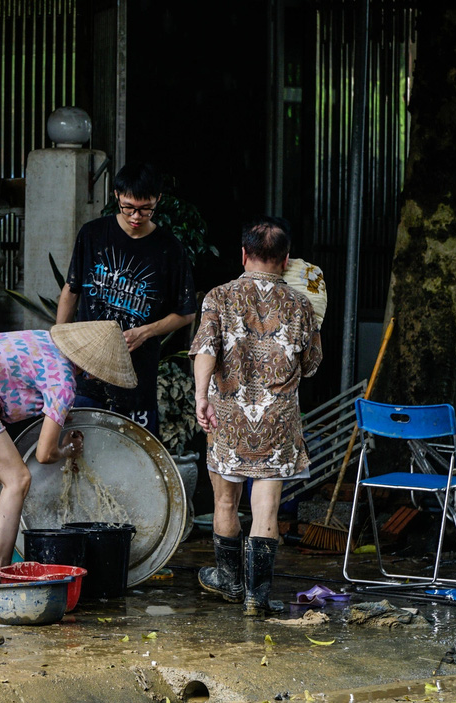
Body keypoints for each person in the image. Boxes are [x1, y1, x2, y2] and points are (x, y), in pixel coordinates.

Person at [0, 321, 136, 583]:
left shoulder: (44, 340)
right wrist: (67, 449)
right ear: (95, 371)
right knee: (17, 479)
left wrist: (59, 419)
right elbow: (45, 454)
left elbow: (21, 380)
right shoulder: (65, 383)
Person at [190, 218, 323, 616]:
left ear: (244, 255)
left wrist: (201, 396)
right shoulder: (302, 304)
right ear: (285, 261)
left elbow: (205, 348)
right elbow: (312, 364)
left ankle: (230, 582)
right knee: (265, 507)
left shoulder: (218, 297)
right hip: (278, 419)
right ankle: (256, 597)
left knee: (225, 501)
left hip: (228, 415)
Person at [57, 162, 196, 440]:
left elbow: (187, 312)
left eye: (145, 209)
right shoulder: (92, 234)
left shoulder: (170, 249)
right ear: (116, 196)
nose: (136, 216)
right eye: (129, 207)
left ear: (158, 200)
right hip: (85, 372)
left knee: (136, 456)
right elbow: (71, 291)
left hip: (137, 377)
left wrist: (145, 332)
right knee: (76, 451)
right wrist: (60, 343)